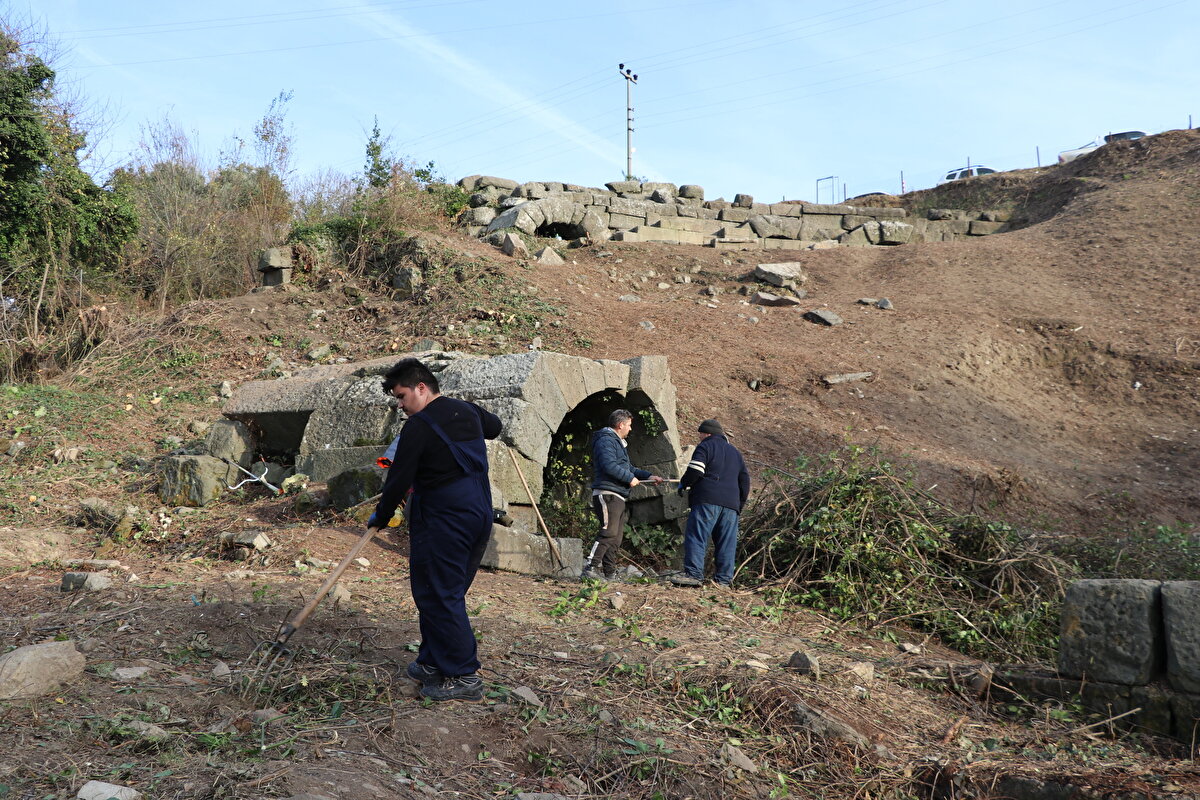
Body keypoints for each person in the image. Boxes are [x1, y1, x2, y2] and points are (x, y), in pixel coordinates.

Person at [368, 358, 502, 701]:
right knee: (443, 591)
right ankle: (432, 661)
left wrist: (381, 516)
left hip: (444, 515)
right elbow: (495, 426)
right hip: (479, 512)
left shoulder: (418, 427)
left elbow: (399, 478)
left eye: (401, 396)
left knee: (439, 593)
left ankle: (464, 675)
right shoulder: (467, 410)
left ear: (421, 387)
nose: (400, 405)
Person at [581, 409, 664, 581]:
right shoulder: (606, 440)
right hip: (607, 493)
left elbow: (629, 469)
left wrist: (648, 476)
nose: (630, 429)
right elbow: (608, 465)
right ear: (620, 425)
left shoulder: (617, 443)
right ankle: (590, 568)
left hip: (618, 495)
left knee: (616, 537)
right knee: (608, 531)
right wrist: (629, 478)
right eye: (629, 425)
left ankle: (610, 573)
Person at [670, 419, 750, 588]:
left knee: (697, 536)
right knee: (727, 543)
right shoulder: (736, 453)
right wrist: (738, 506)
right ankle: (723, 582)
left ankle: (694, 575)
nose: (699, 438)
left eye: (700, 434)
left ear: (707, 434)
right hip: (731, 505)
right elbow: (745, 482)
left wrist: (684, 484)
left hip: (707, 500)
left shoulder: (705, 446)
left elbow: (696, 470)